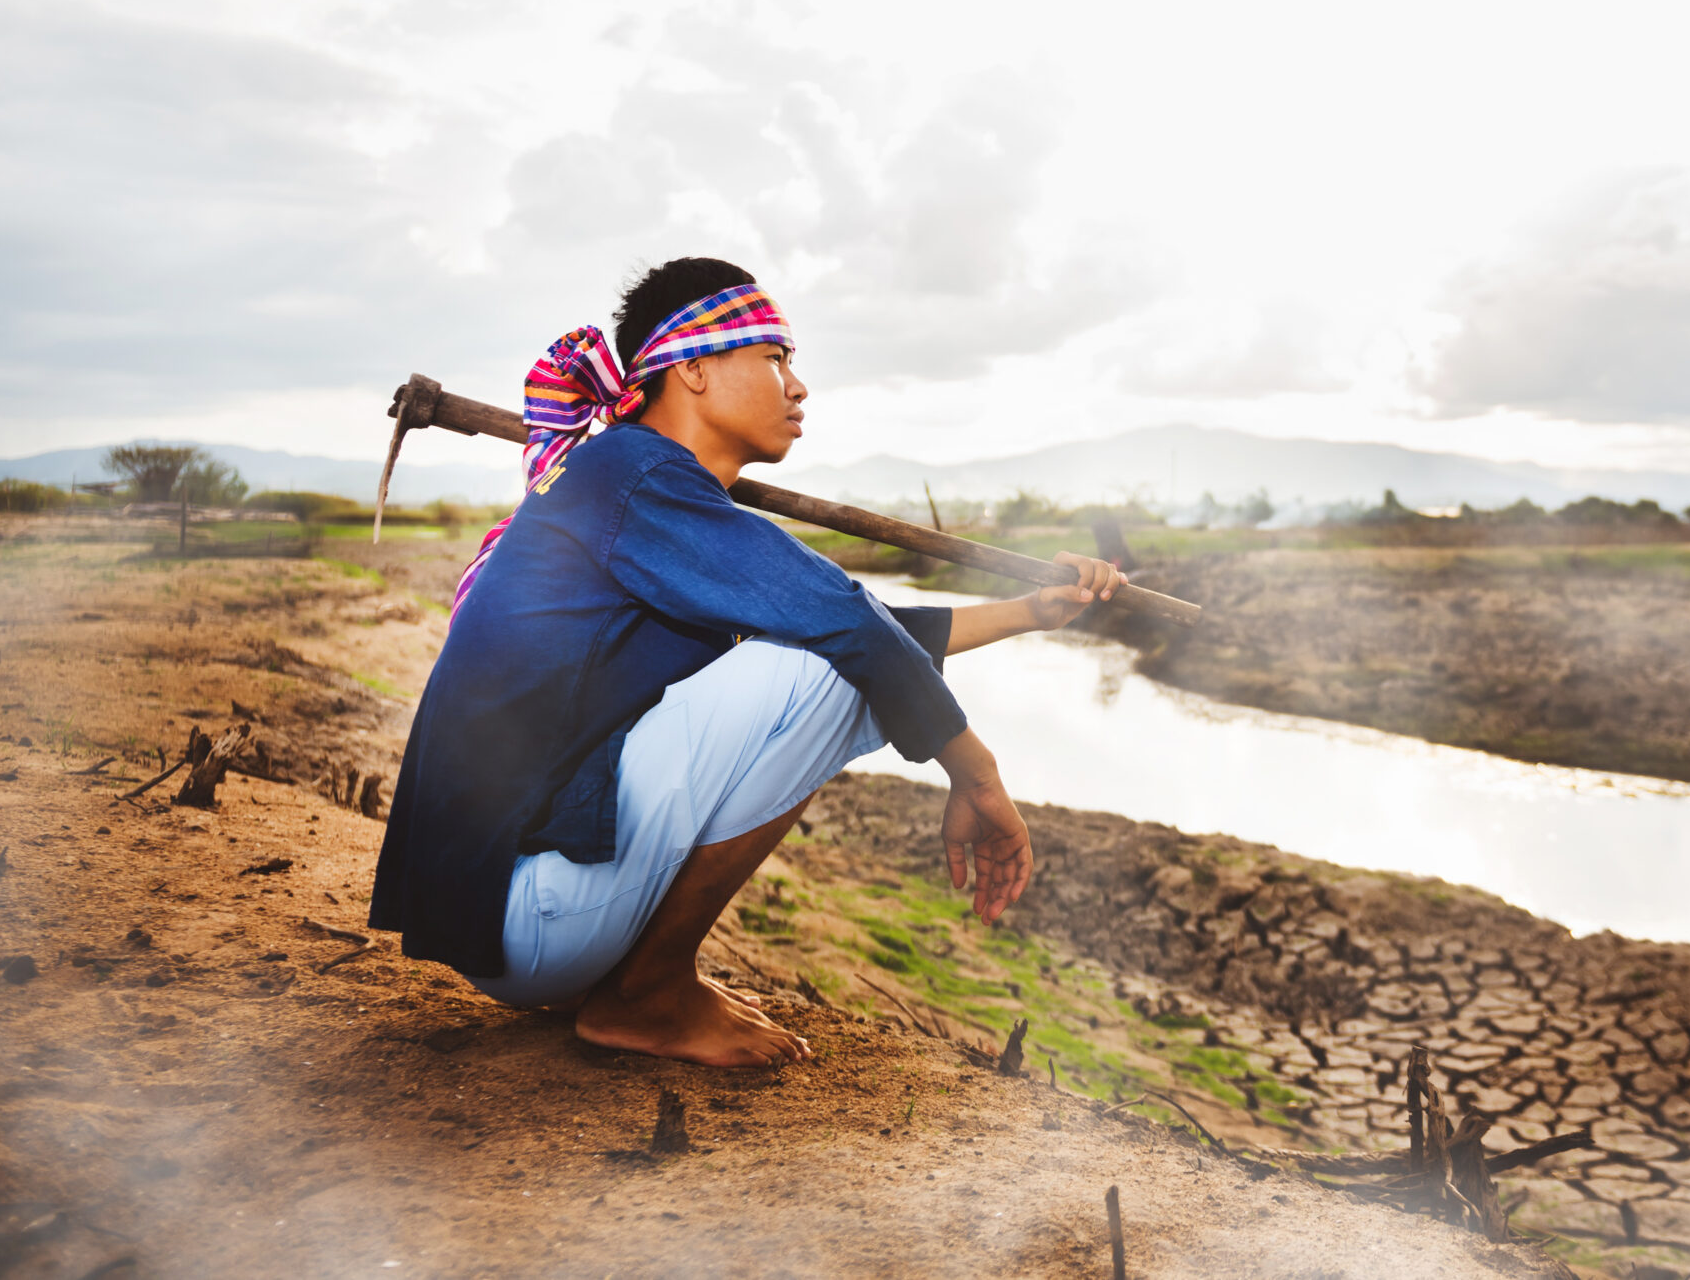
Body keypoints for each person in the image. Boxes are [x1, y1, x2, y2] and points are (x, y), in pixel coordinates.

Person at [368, 257, 1125, 1066]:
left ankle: (640, 977)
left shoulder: (634, 481)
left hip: (512, 921)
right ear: (691, 367)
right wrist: (976, 772)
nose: (798, 386)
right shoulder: (634, 476)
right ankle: (648, 991)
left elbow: (863, 623)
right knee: (829, 660)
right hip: (525, 914)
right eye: (775, 358)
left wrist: (1031, 613)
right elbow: (846, 629)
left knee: (831, 647)